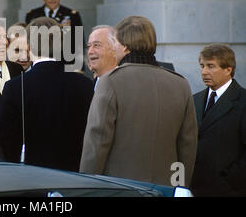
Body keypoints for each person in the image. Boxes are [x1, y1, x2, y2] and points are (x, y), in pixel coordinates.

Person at [80, 16, 198, 187]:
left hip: (120, 189)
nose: (114, 47)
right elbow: (187, 148)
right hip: (165, 189)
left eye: (116, 43)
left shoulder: (111, 81)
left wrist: (86, 186)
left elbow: (97, 143)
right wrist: (179, 187)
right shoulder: (180, 84)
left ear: (125, 46)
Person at [0, 17, 94, 172]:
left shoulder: (14, 87)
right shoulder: (84, 85)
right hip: (75, 178)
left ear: (28, 46)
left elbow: (7, 143)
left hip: (30, 177)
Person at [190, 44, 246, 196]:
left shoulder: (243, 100)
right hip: (194, 188)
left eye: (211, 66)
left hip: (229, 190)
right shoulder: (194, 100)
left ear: (228, 69)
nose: (204, 72)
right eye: (202, 66)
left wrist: (228, 181)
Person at [25, 0, 84, 72]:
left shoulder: (72, 15)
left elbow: (79, 43)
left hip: (66, 66)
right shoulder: (33, 15)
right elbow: (29, 42)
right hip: (39, 65)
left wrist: (78, 67)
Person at [86, 25, 118, 90]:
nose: (90, 52)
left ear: (114, 48)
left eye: (96, 45)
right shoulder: (86, 89)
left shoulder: (126, 83)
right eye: (89, 46)